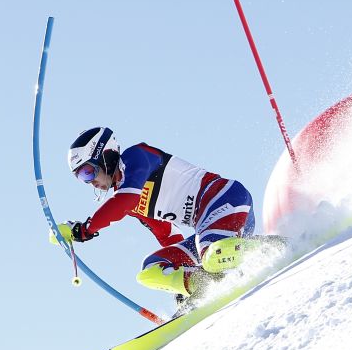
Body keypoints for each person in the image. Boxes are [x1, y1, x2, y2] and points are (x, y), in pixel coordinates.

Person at [62, 127, 256, 302]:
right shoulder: (129, 200)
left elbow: (123, 200)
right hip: (208, 230)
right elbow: (168, 236)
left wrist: (86, 229)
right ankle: (203, 287)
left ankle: (272, 248)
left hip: (226, 200)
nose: (90, 182)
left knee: (212, 255)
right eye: (81, 178)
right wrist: (183, 278)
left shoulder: (135, 156)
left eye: (88, 172)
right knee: (150, 269)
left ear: (105, 156)